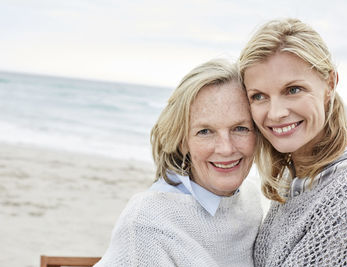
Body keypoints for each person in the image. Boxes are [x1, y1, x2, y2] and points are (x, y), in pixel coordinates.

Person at [239, 18, 347, 266]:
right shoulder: (299, 181)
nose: (275, 113)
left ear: (330, 84)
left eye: (293, 90)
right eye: (259, 96)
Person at [94, 59, 264, 266]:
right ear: (182, 142)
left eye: (240, 128)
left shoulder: (253, 200)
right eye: (205, 131)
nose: (226, 148)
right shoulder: (146, 223)